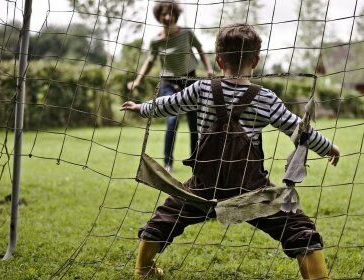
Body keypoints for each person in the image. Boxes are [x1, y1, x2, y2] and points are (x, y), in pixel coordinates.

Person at [122, 23, 340, 280]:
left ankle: (143, 269)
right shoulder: (265, 98)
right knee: (297, 227)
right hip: (251, 189)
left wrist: (141, 108)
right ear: (256, 60)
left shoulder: (201, 88)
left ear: (218, 59)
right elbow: (298, 129)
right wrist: (328, 147)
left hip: (204, 187)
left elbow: (169, 105)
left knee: (165, 218)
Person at [127, 0, 214, 172]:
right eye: (163, 14)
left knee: (193, 123)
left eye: (170, 13)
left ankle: (195, 161)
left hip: (190, 80)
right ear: (158, 17)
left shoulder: (187, 33)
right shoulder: (156, 41)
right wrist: (137, 81)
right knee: (172, 120)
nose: (167, 17)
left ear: (176, 15)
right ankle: (168, 163)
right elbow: (149, 62)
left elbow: (201, 49)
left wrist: (209, 69)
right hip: (168, 82)